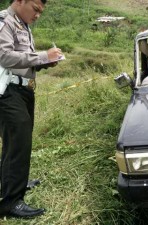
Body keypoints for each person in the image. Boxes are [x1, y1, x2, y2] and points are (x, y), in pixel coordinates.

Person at [0, 0, 62, 219]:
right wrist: (44, 55)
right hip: (8, 92)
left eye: (40, 12)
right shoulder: (4, 21)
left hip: (24, 90)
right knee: (18, 141)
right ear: (19, 1)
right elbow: (4, 56)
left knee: (17, 142)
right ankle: (10, 203)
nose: (37, 15)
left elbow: (24, 60)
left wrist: (45, 62)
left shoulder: (22, 25)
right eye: (35, 9)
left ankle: (15, 183)